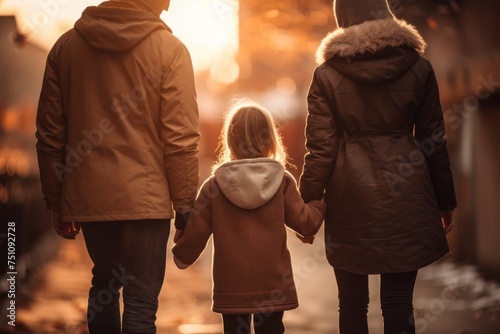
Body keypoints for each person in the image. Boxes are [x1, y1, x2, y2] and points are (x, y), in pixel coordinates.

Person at [35, 0, 199, 333]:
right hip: (147, 202)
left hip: (91, 199)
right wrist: (185, 206)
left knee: (105, 282)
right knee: (141, 301)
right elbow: (181, 137)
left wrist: (56, 201)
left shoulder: (65, 49)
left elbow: (51, 135)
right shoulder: (170, 50)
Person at [299, 0, 457, 333]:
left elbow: (321, 149)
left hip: (349, 197)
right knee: (399, 303)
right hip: (409, 191)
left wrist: (308, 205)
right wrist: (445, 200)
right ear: (385, 13)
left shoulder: (326, 74)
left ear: (342, 20)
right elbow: (433, 139)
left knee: (352, 305)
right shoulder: (418, 66)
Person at [172, 100, 326, 334]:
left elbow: (196, 234)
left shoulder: (214, 187)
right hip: (272, 284)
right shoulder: (281, 181)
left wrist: (181, 252)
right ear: (270, 138)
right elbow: (306, 223)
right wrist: (319, 203)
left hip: (231, 287)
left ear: (230, 139)